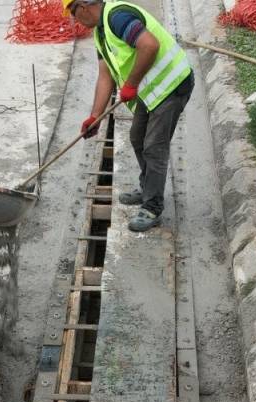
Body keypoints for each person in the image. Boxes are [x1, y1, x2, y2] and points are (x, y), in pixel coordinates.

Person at [65, 0, 193, 232]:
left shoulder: (117, 17)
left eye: (73, 14)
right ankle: (148, 187)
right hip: (152, 90)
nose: (76, 21)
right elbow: (105, 76)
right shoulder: (100, 33)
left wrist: (131, 84)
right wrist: (95, 116)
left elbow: (149, 45)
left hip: (172, 84)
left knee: (154, 146)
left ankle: (152, 206)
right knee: (137, 138)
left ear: (83, 7)